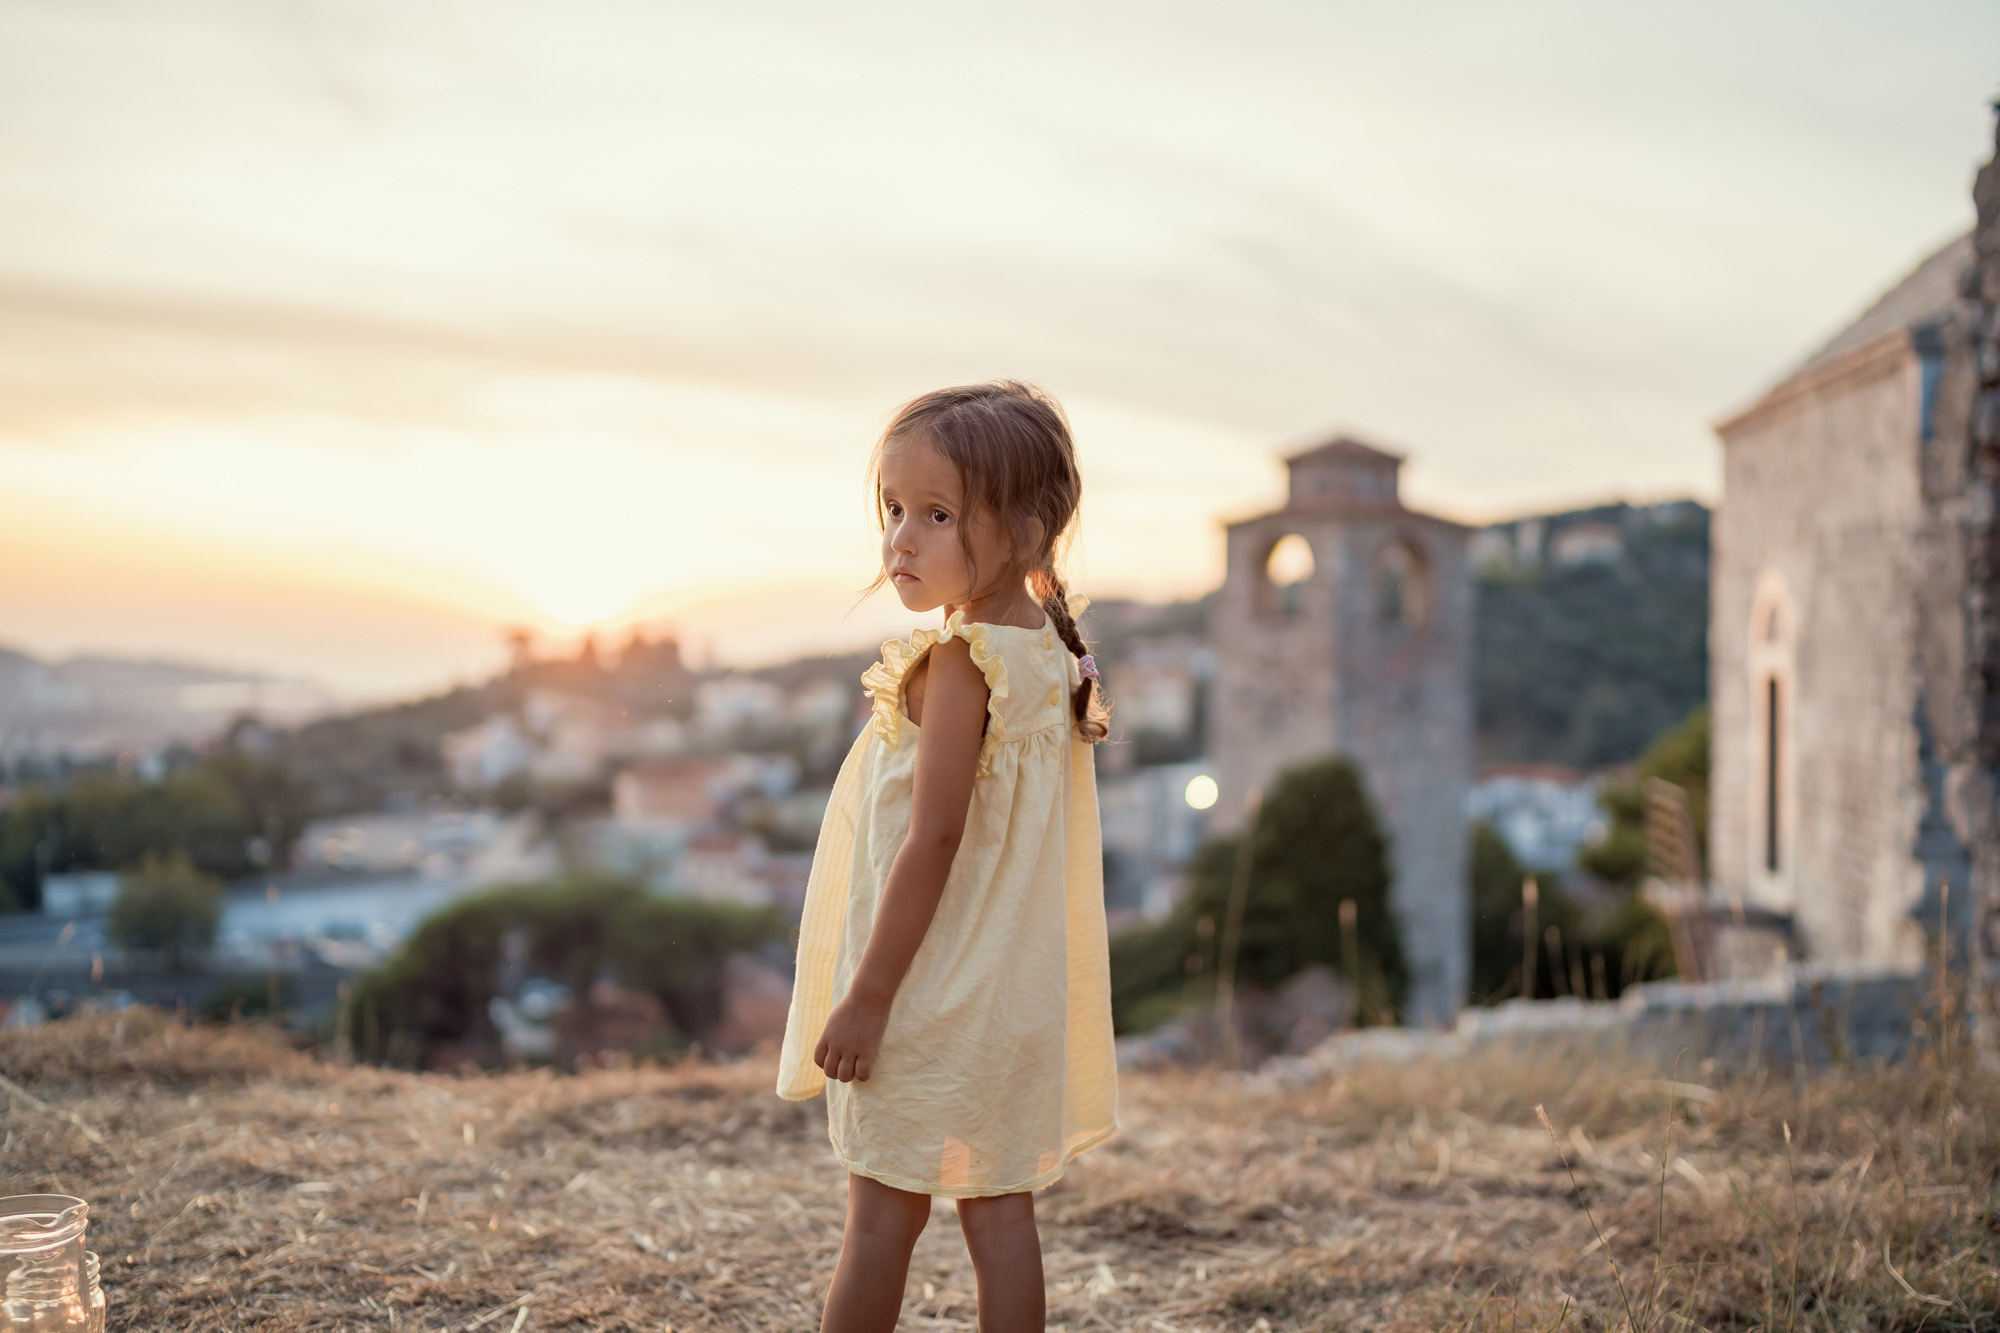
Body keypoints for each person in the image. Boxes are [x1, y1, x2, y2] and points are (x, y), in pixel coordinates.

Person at [776, 381, 1119, 1333]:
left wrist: (870, 995)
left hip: (929, 992)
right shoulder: (1047, 649)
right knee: (1001, 1211)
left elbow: (932, 839)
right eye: (893, 509)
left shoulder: (965, 662)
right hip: (1009, 991)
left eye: (937, 514)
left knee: (881, 1217)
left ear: (1028, 524)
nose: (901, 540)